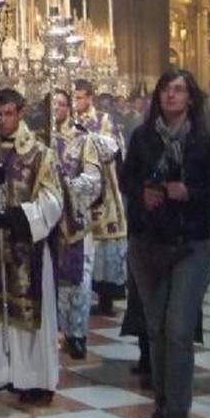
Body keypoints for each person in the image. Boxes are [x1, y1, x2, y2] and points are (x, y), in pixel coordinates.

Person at [120, 68, 210, 418]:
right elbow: (126, 180)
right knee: (157, 328)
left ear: (191, 98)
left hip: (189, 243)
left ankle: (177, 409)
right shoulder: (143, 138)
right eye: (166, 89)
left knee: (179, 330)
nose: (171, 95)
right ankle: (162, 404)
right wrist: (142, 193)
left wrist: (187, 192)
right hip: (148, 243)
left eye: (179, 90)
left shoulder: (204, 142)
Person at [0, 88, 62, 412]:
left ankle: (32, 378)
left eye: (9, 113)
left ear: (21, 112)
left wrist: (21, 216)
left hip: (24, 246)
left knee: (27, 316)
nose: (3, 120)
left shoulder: (41, 154)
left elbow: (53, 200)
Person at [49, 88, 104, 360]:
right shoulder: (39, 140)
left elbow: (94, 179)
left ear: (69, 108)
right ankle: (55, 330)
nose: (55, 109)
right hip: (48, 221)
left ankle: (78, 334)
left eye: (60, 104)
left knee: (79, 279)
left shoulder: (82, 140)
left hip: (76, 218)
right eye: (51, 105)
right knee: (53, 278)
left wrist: (68, 185)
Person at [74, 78, 128, 315]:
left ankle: (107, 297)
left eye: (81, 97)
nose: (77, 102)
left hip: (104, 190)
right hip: (81, 188)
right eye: (74, 97)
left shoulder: (103, 120)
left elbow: (115, 148)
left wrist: (89, 138)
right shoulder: (71, 122)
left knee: (106, 241)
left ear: (90, 97)